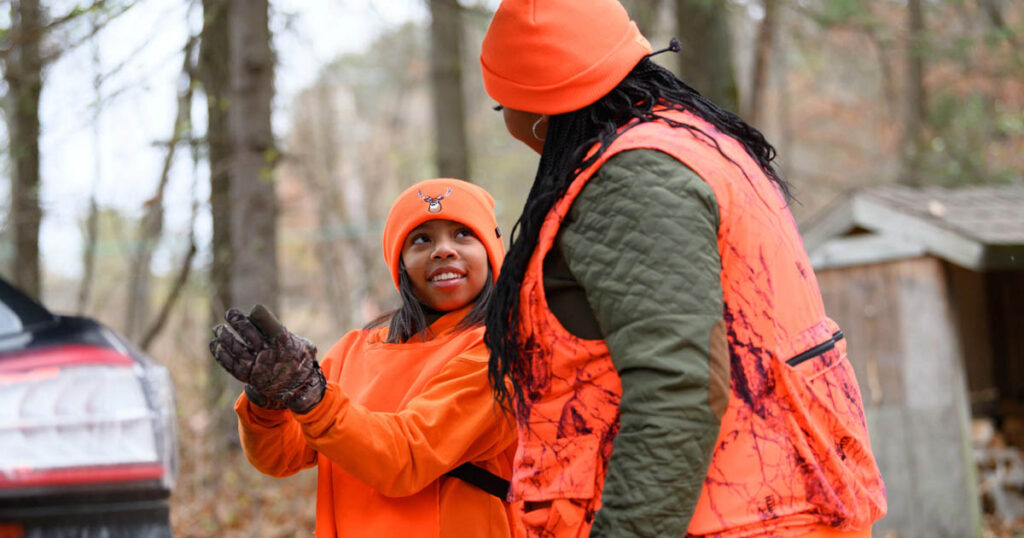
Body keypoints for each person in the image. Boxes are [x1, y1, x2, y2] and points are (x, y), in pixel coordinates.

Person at [477, 1, 887, 537]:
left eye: (500, 105)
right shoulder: (698, 143)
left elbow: (678, 390)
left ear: (536, 106)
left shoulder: (634, 179)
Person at [209, 178, 518, 537]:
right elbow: (280, 455)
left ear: (491, 251)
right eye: (422, 239)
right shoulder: (355, 349)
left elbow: (406, 457)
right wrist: (268, 400)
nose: (443, 250)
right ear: (399, 262)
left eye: (463, 234)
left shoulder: (500, 353)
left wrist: (310, 394)